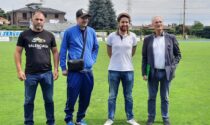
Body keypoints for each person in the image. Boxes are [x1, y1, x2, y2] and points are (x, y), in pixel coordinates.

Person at [14, 10, 59, 125]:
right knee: (28, 101)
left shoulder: (50, 35)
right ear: (32, 20)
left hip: (47, 74)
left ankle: (51, 122)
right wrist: (19, 70)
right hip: (30, 74)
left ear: (44, 21)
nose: (39, 21)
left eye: (41, 19)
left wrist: (55, 69)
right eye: (36, 19)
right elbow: (17, 52)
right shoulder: (24, 35)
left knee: (49, 100)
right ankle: (28, 122)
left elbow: (55, 52)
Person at [59, 8, 99, 125]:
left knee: (86, 97)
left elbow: (96, 47)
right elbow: (63, 50)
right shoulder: (69, 32)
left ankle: (80, 118)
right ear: (77, 19)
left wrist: (92, 60)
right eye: (82, 17)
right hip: (74, 72)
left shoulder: (91, 31)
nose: (85, 20)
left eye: (87, 18)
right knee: (72, 97)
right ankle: (69, 119)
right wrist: (63, 67)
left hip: (88, 71)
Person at [142, 16, 181, 125]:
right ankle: (151, 118)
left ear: (162, 24)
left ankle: (165, 117)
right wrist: (144, 72)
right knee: (151, 97)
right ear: (152, 25)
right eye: (156, 22)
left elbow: (178, 55)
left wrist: (172, 68)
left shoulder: (171, 38)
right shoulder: (147, 39)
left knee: (165, 97)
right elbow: (144, 57)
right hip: (152, 73)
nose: (158, 24)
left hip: (166, 73)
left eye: (160, 22)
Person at [104, 13, 140, 125]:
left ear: (129, 24)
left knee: (128, 96)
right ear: (118, 23)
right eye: (122, 22)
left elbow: (132, 52)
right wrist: (117, 61)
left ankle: (130, 118)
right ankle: (110, 118)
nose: (124, 24)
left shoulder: (133, 36)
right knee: (112, 96)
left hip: (128, 71)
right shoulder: (111, 36)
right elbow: (110, 52)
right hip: (113, 70)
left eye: (126, 22)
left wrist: (124, 61)